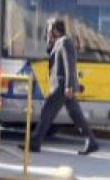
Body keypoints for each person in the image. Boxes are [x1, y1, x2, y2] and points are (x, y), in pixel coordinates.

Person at [30, 17, 99, 155]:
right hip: (61, 86)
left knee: (46, 114)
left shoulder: (65, 42)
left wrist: (69, 86)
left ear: (55, 29)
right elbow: (50, 53)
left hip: (61, 86)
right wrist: (50, 41)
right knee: (76, 115)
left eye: (49, 29)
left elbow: (70, 65)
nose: (47, 32)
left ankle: (35, 143)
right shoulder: (58, 42)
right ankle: (92, 142)